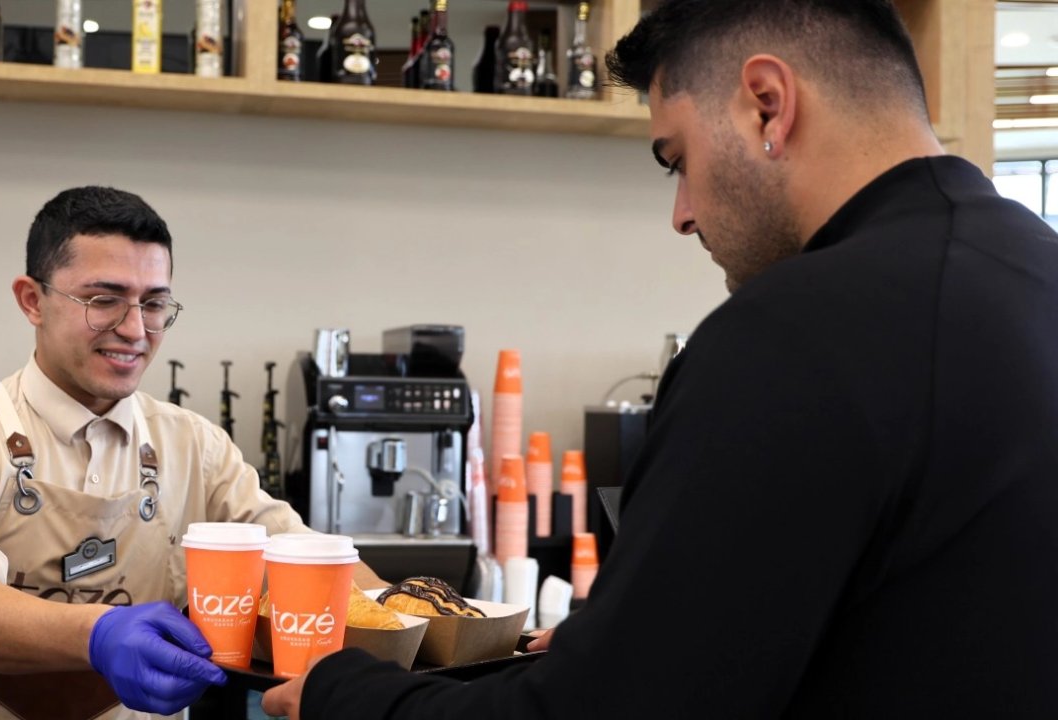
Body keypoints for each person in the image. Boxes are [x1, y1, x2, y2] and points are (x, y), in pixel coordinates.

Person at [262, 0, 1058, 717]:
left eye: (675, 159)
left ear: (767, 106)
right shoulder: (1037, 270)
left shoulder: (789, 333)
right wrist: (628, 641)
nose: (682, 215)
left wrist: (349, 694)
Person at [0, 186, 386, 719]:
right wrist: (99, 635)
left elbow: (309, 562)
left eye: (154, 303)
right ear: (32, 300)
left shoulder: (195, 447)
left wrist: (414, 619)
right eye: (103, 300)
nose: (134, 329)